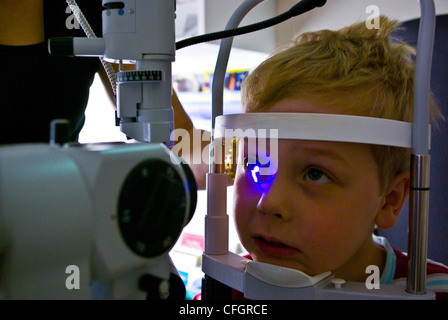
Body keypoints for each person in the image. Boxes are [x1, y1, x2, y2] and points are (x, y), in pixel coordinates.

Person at [185, 16, 448, 299]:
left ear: (390, 199)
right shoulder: (230, 284)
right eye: (254, 164)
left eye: (315, 174)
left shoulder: (435, 291)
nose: (269, 202)